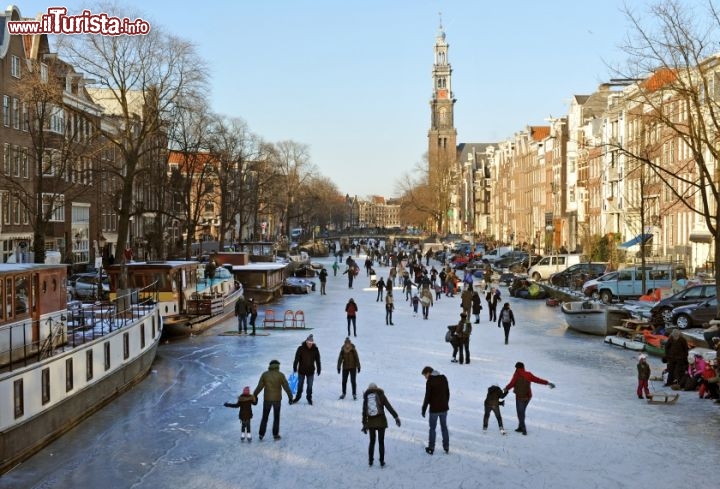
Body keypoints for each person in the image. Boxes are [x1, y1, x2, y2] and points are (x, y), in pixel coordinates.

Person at [504, 361, 555, 435]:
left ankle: (523, 428)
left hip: (520, 397)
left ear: (516, 368)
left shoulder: (516, 375)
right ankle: (520, 427)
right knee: (522, 412)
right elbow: (537, 380)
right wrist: (547, 383)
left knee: (520, 413)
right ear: (523, 367)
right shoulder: (528, 374)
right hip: (528, 396)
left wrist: (506, 389)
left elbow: (512, 383)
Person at [253, 359, 294, 441]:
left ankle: (261, 434)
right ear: (277, 366)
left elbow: (259, 387)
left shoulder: (265, 374)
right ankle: (275, 435)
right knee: (276, 417)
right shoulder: (280, 375)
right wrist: (290, 397)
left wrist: (255, 395)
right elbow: (286, 387)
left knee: (264, 417)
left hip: (267, 399)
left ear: (270, 366)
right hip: (277, 400)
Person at [362, 382, 401, 467]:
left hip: (371, 423)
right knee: (381, 442)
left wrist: (364, 424)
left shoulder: (366, 398)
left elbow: (364, 413)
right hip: (381, 422)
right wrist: (396, 417)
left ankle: (370, 461)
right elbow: (389, 407)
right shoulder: (381, 395)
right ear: (376, 388)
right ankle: (382, 461)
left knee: (372, 442)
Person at [421, 366, 450, 455]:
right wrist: (445, 403)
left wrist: (424, 409)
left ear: (428, 373)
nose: (425, 378)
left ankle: (431, 447)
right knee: (444, 427)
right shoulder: (443, 378)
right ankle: (446, 447)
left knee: (432, 428)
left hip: (434, 409)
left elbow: (427, 396)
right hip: (444, 408)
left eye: (425, 375)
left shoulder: (430, 381)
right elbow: (447, 393)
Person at [292, 334, 321, 405]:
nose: (310, 344)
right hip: (301, 370)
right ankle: (298, 397)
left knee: (310, 385)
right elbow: (296, 358)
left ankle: (309, 398)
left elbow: (318, 360)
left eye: (311, 343)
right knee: (300, 385)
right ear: (306, 342)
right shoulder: (301, 348)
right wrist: (295, 366)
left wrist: (319, 368)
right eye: (308, 343)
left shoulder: (315, 349)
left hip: (310, 371)